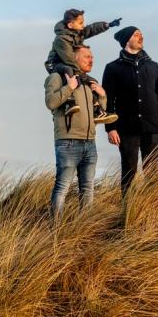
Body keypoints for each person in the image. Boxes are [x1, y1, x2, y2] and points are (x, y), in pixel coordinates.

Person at [101, 26, 158, 196]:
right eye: (136, 34)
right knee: (129, 171)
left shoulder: (153, 66)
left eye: (141, 34)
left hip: (152, 126)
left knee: (151, 171)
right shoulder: (112, 68)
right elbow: (107, 101)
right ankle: (127, 207)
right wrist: (110, 128)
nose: (141, 37)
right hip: (126, 128)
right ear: (127, 40)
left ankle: (151, 208)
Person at [45, 45, 108, 220]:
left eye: (92, 56)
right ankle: (55, 230)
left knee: (88, 189)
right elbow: (50, 102)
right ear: (74, 58)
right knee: (62, 187)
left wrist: (102, 95)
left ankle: (84, 229)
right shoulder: (57, 77)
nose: (91, 59)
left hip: (90, 142)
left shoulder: (88, 81)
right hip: (68, 142)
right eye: (87, 56)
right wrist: (69, 88)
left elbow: (102, 111)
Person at [44, 8, 120, 125]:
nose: (83, 25)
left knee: (91, 80)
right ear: (70, 24)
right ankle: (69, 102)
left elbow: (91, 29)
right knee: (70, 71)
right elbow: (68, 58)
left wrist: (107, 25)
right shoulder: (61, 39)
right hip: (56, 64)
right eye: (80, 23)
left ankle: (97, 110)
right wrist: (80, 73)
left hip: (70, 63)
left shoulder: (78, 33)